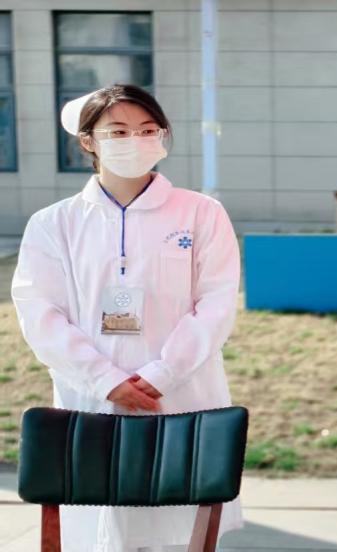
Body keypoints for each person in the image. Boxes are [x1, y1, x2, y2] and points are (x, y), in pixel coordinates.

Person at [11, 84, 243, 551]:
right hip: (91, 400)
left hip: (180, 396)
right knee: (98, 526)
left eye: (147, 129)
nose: (134, 140)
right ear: (88, 141)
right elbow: (40, 312)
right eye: (118, 131)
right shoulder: (55, 223)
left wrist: (161, 375)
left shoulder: (201, 213)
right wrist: (106, 380)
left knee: (179, 527)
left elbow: (216, 304)